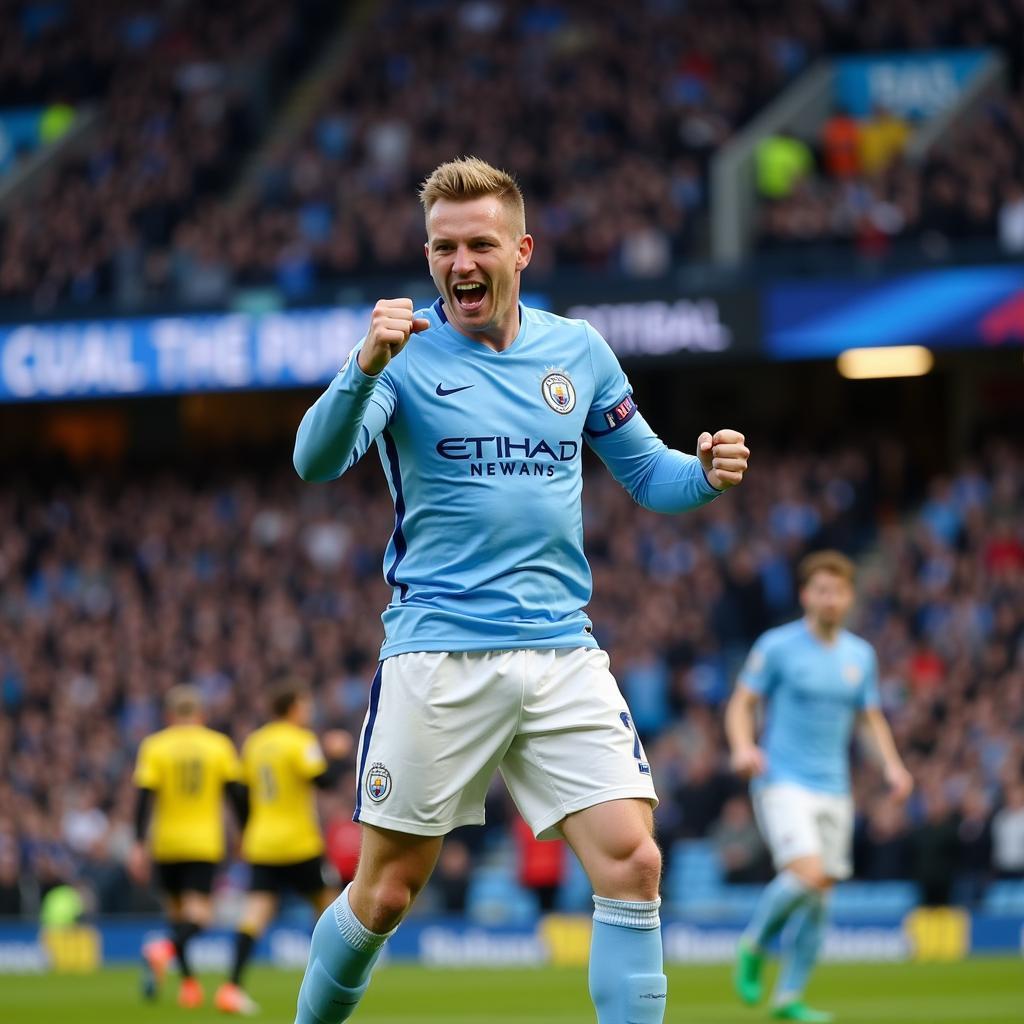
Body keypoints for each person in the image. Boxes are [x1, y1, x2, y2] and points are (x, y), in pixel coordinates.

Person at [290, 155, 750, 1024]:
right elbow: (315, 461)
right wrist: (362, 362)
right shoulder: (404, 357)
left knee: (634, 863)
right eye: (442, 248)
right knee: (386, 893)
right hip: (439, 653)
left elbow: (650, 476)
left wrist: (708, 474)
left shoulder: (578, 351)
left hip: (561, 651)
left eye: (479, 244)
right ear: (428, 259)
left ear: (522, 250)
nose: (460, 263)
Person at [725, 550, 912, 1023]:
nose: (830, 599)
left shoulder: (859, 656)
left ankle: (788, 998)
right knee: (807, 873)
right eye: (821, 590)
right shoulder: (777, 646)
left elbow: (869, 720)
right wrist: (744, 747)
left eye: (839, 591)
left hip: (835, 788)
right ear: (807, 595)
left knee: (821, 894)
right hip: (781, 780)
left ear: (849, 597)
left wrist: (892, 766)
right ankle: (754, 945)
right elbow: (741, 704)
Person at [215, 681, 352, 1015]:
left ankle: (231, 987)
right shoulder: (301, 741)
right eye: (305, 705)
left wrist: (248, 831)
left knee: (255, 914)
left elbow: (239, 793)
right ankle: (333, 978)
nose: (309, 711)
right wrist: (335, 754)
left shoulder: (255, 743)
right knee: (329, 905)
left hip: (262, 843)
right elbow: (325, 782)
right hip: (299, 843)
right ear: (292, 707)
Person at [129, 685, 245, 1009]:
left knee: (177, 915)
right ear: (201, 714)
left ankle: (190, 986)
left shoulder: (154, 745)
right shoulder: (218, 745)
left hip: (165, 843)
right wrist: (244, 833)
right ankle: (163, 950)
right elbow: (234, 794)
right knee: (200, 918)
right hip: (202, 843)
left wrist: (139, 843)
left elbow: (143, 799)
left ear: (168, 715)